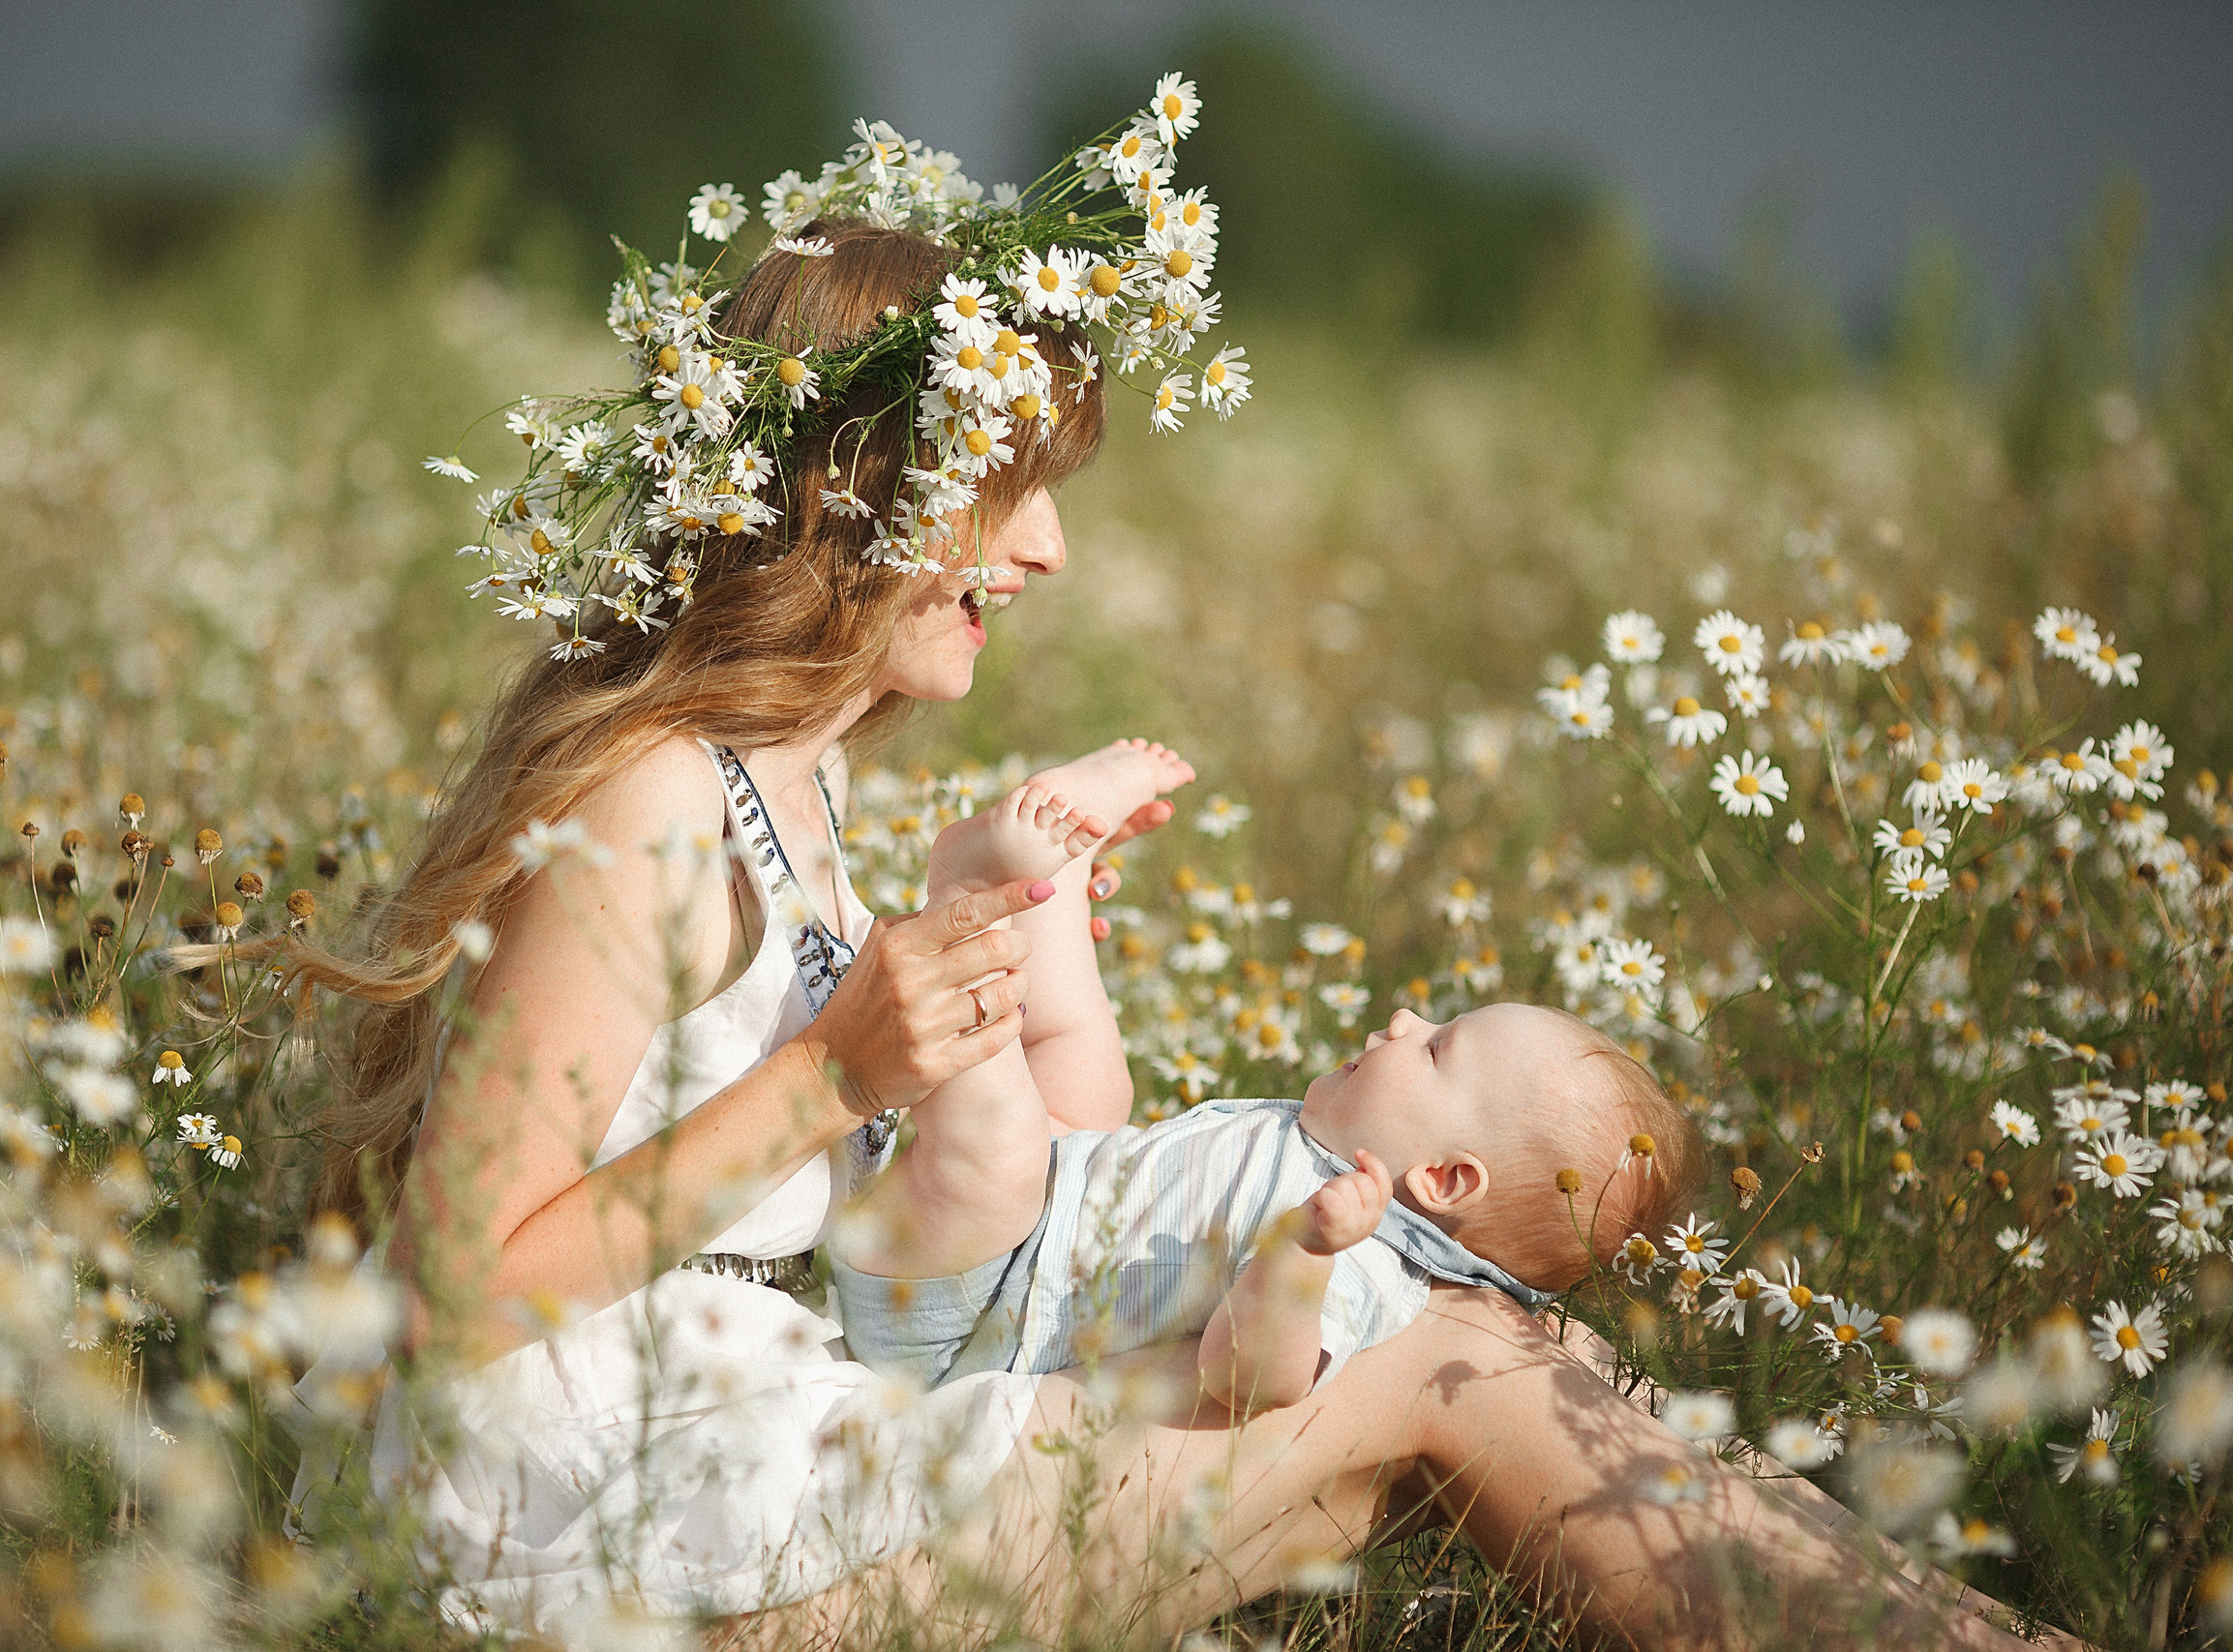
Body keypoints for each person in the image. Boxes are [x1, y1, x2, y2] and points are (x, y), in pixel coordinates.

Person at [276, 103, 2070, 1650]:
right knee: (1455, 1376)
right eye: (1015, 489)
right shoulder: (655, 797)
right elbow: (450, 1286)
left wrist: (1015, 1010)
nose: (1049, 549)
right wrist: (836, 1075)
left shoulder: (785, 796)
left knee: (1483, 1336)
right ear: (865, 488)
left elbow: (917, 1223)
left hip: (737, 1463)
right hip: (587, 1546)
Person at [831, 769, 1703, 1413]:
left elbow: (1248, 1380)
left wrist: (1302, 1255)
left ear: (1443, 1180)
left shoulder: (1359, 1260)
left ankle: (965, 899)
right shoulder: (1337, 1160)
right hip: (1042, 1218)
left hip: (966, 1321)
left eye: (1436, 1048)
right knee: (1093, 1074)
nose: (1402, 1018)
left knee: (1005, 1146)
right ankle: (1048, 874)